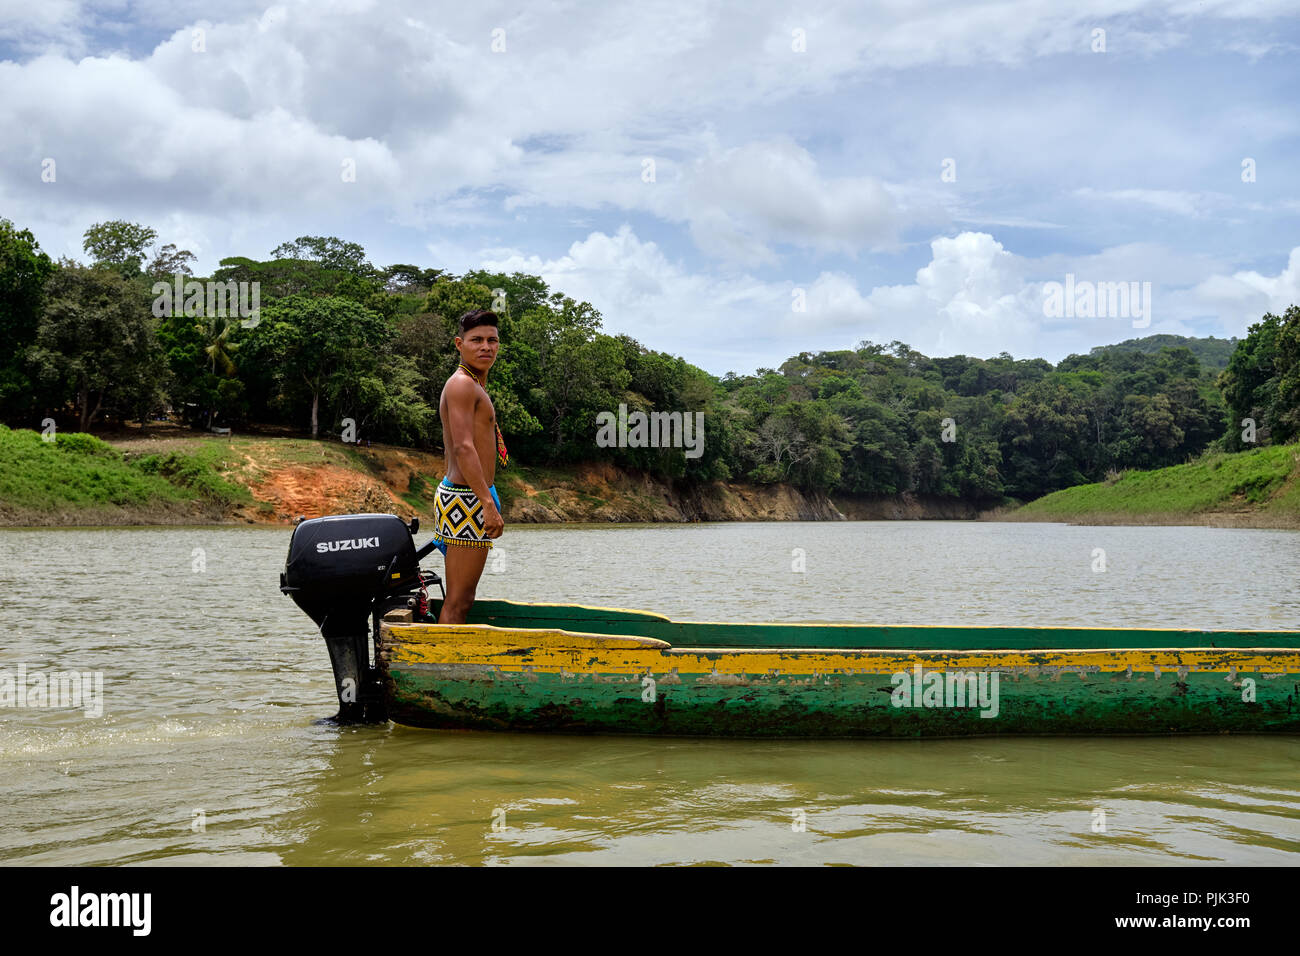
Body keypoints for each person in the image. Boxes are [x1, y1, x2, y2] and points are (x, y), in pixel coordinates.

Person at [431, 308, 507, 624]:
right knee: (458, 602)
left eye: (492, 340)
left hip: (472, 496)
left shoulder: (475, 385)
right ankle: (442, 669)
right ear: (459, 344)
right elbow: (464, 447)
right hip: (467, 499)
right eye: (476, 340)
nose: (485, 347)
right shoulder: (461, 385)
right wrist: (487, 504)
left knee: (464, 598)